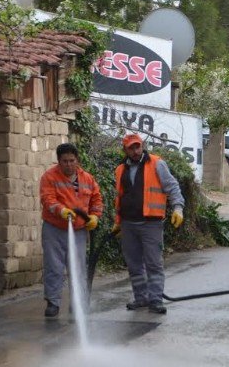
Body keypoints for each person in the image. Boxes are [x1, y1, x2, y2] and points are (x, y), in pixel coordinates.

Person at [111, 133, 184, 314]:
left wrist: (178, 208)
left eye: (138, 146)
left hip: (151, 223)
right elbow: (120, 198)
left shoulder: (157, 164)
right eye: (131, 148)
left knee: (153, 264)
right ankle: (141, 298)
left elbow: (172, 187)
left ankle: (156, 300)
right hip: (129, 224)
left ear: (142, 145)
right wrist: (118, 222)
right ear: (125, 150)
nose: (136, 151)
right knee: (134, 264)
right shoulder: (120, 170)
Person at [39, 142, 103, 318]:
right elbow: (47, 199)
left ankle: (77, 303)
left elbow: (97, 200)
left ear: (77, 160)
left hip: (79, 230)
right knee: (54, 266)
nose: (68, 164)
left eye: (71, 160)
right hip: (55, 228)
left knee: (78, 268)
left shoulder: (88, 179)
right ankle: (53, 303)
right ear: (58, 161)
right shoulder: (49, 177)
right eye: (64, 161)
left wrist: (95, 216)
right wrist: (62, 210)